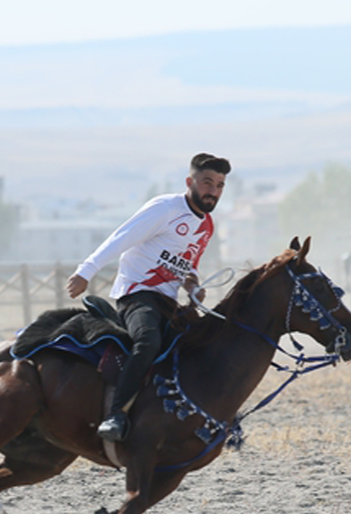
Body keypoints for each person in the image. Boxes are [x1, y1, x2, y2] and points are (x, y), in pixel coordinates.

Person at [66, 152, 231, 442]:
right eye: (207, 183)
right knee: (149, 340)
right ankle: (115, 415)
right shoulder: (165, 208)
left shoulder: (207, 226)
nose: (213, 191)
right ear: (190, 181)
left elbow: (188, 267)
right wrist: (85, 271)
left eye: (219, 185)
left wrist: (193, 287)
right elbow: (121, 237)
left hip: (169, 302)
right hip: (137, 295)